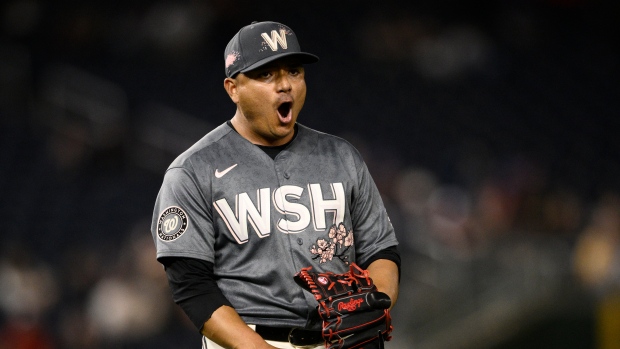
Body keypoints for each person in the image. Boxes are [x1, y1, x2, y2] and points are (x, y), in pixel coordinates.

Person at [151, 21, 401, 349]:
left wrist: (372, 304)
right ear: (233, 88)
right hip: (249, 339)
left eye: (294, 71)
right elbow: (192, 287)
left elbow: (381, 250)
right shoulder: (192, 171)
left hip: (341, 339)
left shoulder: (341, 156)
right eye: (266, 74)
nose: (285, 85)